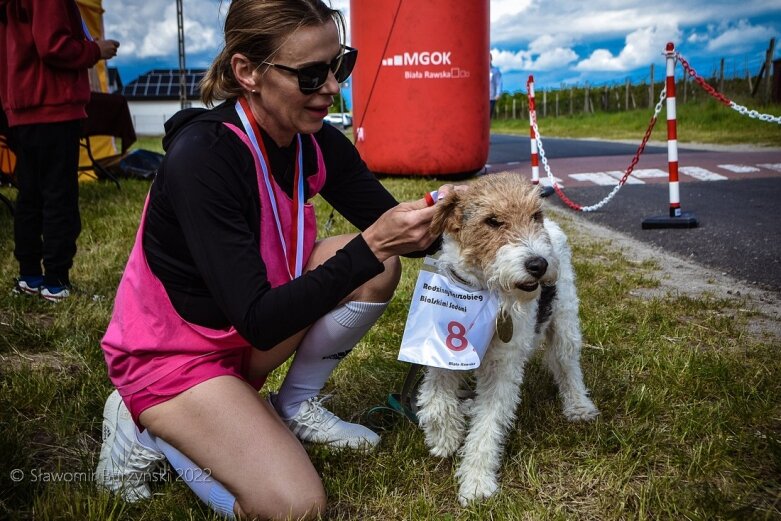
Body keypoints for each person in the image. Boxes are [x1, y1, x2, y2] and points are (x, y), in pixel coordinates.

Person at [94, 1, 454, 519]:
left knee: (379, 266)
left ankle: (293, 406)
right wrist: (372, 244)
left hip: (244, 336)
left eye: (339, 65)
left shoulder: (315, 140)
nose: (332, 87)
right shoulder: (202, 158)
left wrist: (461, 211)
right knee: (294, 508)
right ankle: (144, 424)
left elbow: (411, 237)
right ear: (247, 73)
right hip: (174, 358)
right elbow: (261, 320)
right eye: (311, 75)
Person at [0, 0, 119, 301]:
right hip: (53, 106)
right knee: (59, 196)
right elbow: (53, 45)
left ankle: (30, 276)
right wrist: (95, 51)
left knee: (30, 195)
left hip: (23, 108)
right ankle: (56, 281)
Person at [489, 51, 502, 119]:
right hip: (481, 98)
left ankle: (486, 129)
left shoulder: (495, 71)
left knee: (488, 115)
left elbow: (498, 83)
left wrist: (498, 93)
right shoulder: (480, 69)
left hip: (491, 97)